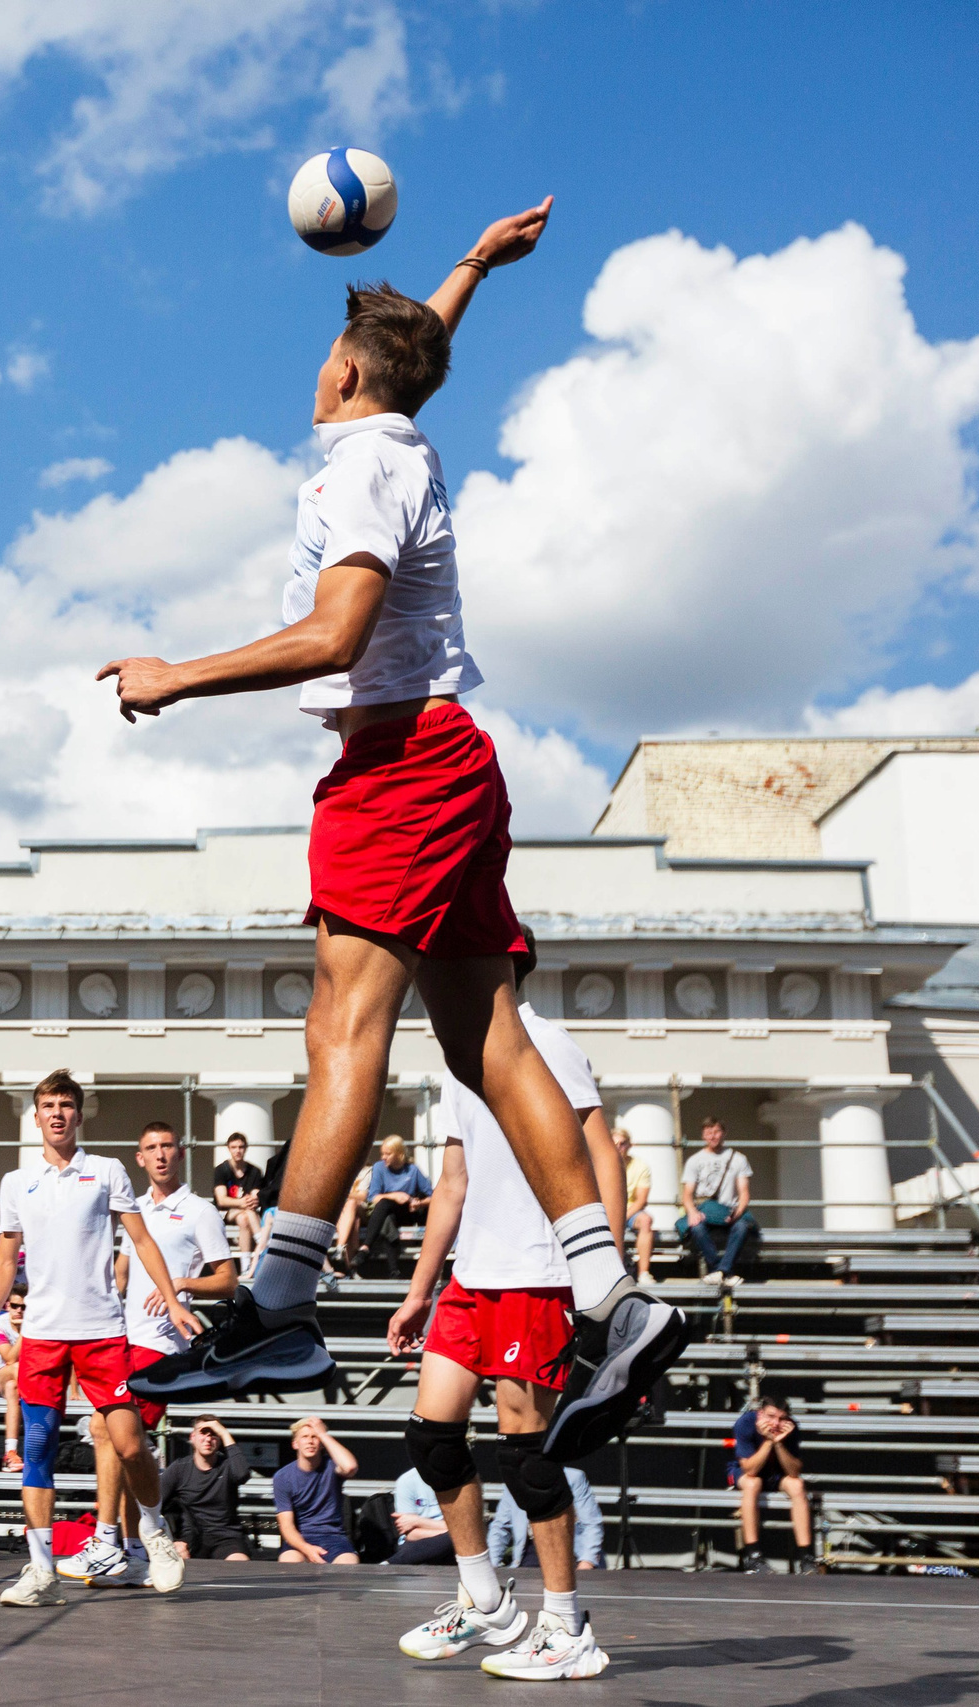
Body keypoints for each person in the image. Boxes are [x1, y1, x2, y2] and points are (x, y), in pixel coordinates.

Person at [103, 203, 686, 1470]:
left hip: (398, 769)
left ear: (348, 372)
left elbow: (332, 638)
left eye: (334, 350)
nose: (318, 361)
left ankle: (279, 1307)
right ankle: (614, 1300)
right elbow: (410, 350)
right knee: (484, 1041)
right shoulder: (398, 435)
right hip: (449, 760)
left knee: (341, 1030)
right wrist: (471, 267)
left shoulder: (364, 464)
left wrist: (172, 675)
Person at [386, 935, 621, 1680]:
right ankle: (486, 1600)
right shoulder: (462, 1061)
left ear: (498, 966)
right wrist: (420, 1288)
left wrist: (605, 1277)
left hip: (538, 1273)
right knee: (431, 1437)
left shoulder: (551, 1043)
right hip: (471, 1277)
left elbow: (600, 1152)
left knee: (527, 1455)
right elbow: (452, 1182)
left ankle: (566, 1624)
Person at [0, 1071, 201, 1605]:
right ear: (36, 1117)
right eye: (48, 1105)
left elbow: (141, 1240)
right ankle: (39, 1570)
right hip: (44, 1337)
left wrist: (170, 1298)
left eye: (66, 1105)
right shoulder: (16, 1183)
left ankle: (153, 1531)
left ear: (79, 1115)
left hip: (101, 1333)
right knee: (36, 1447)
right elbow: (6, 1260)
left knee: (127, 1443)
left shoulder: (106, 1171)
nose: (57, 1113)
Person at [76, 1120, 238, 1584]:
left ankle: (113, 1541)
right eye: (152, 1147)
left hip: (163, 1342)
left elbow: (227, 1280)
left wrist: (182, 1284)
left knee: (107, 1431)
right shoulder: (135, 1208)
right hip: (123, 1338)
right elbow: (122, 1275)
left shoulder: (199, 1210)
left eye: (168, 1146)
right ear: (139, 1158)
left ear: (180, 1153)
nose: (161, 1154)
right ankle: (134, 1550)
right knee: (125, 1448)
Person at [732, 1397, 811, 1572]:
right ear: (760, 1413)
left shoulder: (791, 1427)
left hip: (777, 1473)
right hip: (747, 1471)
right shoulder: (745, 1423)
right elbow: (750, 1469)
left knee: (797, 1485)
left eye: (782, 1418)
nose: (776, 1423)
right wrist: (768, 1441)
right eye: (770, 1416)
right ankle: (753, 1555)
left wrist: (779, 1443)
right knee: (753, 1483)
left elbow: (794, 1471)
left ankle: (806, 1557)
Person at [161, 1417, 255, 1562]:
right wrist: (172, 1540)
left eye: (213, 1434)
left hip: (226, 1537)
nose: (208, 1438)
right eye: (203, 1433)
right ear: (192, 1437)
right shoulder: (179, 1469)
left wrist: (223, 1432)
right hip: (191, 1537)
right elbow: (153, 1504)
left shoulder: (227, 1465)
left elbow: (243, 1474)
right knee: (177, 1560)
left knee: (239, 1563)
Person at [272, 1417, 358, 1564]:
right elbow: (287, 1526)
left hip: (334, 1537)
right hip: (301, 1538)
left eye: (315, 1437)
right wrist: (307, 1549)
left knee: (349, 1564)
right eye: (304, 1437)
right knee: (289, 1562)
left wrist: (323, 1434)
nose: (310, 1441)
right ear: (295, 1444)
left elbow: (350, 1467)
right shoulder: (283, 1477)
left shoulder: (332, 1467)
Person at [680, 1119, 756, 1284]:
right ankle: (722, 1272)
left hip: (729, 1211)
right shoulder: (695, 1160)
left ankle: (720, 1271)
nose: (712, 1136)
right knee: (697, 1228)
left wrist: (738, 1211)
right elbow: (687, 1194)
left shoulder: (738, 1158)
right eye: (708, 1133)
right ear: (703, 1135)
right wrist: (692, 1212)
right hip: (705, 1211)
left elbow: (744, 1193)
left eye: (716, 1132)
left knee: (742, 1227)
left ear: (724, 1133)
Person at [344, 1136, 433, 1276]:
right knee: (386, 1216)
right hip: (386, 1211)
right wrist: (395, 1195)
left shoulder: (412, 1170)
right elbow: (373, 1197)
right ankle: (393, 1270)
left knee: (386, 1210)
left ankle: (366, 1248)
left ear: (399, 1154)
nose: (383, 1157)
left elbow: (432, 1196)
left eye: (388, 1154)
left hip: (408, 1211)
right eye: (382, 1153)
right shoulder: (379, 1168)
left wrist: (419, 1203)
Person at [489, 1466, 605, 1572]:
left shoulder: (574, 1478)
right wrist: (490, 1565)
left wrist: (587, 1562)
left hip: (569, 1554)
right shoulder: (515, 1482)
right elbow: (500, 1528)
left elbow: (592, 1523)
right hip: (530, 1556)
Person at [389, 1467, 456, 1565]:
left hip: (452, 1543)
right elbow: (411, 1534)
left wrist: (418, 1521)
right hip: (415, 1542)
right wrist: (451, 1533)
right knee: (456, 1538)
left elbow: (467, 1528)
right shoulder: (407, 1481)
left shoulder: (463, 1482)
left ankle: (390, 1563)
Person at [211, 1134, 265, 1251]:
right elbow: (222, 1200)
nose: (237, 1151)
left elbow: (255, 1197)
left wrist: (249, 1202)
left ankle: (245, 1262)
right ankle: (262, 1241)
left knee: (243, 1218)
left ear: (245, 1148)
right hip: (225, 1213)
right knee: (247, 1211)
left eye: (241, 1147)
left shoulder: (255, 1171)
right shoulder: (221, 1170)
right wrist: (242, 1202)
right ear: (228, 1148)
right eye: (234, 1147)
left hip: (246, 1212)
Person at [615, 1127, 656, 1277]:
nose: (618, 1147)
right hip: (606, 1210)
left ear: (629, 1145)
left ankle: (643, 1273)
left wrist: (620, 1218)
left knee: (646, 1220)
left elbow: (641, 1201)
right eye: (614, 1144)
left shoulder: (640, 1166)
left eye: (622, 1143)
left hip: (629, 1211)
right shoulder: (600, 1164)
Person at [0, 1291, 25, 1471]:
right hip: (2, 1375)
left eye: (24, 1307)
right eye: (15, 1306)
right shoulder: (0, 1323)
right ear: (7, 1306)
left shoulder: (38, 1322)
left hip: (19, 1383)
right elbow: (10, 1358)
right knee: (17, 1369)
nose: (19, 1310)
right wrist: (24, 1332)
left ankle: (10, 1452)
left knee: (14, 1388)